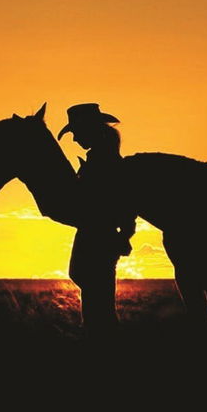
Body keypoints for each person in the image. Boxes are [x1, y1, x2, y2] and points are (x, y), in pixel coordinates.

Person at [57, 103, 136, 332]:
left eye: (76, 132)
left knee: (98, 310)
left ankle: (101, 350)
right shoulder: (103, 160)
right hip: (100, 236)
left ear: (89, 129)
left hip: (97, 237)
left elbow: (119, 204)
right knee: (98, 306)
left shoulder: (104, 163)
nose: (74, 139)